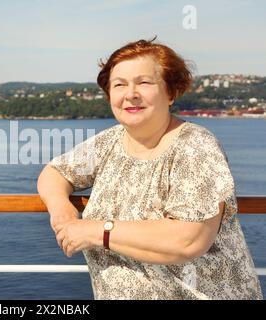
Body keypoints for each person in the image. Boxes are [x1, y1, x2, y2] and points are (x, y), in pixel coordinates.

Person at [37, 38, 262, 300]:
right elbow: (55, 172)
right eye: (119, 84)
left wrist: (98, 230)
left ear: (171, 92)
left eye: (144, 82)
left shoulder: (195, 146)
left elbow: (189, 238)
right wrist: (61, 209)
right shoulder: (110, 142)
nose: (131, 93)